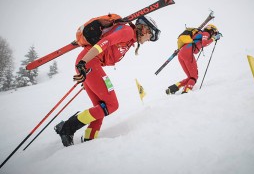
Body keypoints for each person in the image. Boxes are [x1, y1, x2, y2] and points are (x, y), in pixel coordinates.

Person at [54, 15, 160, 147]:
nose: (149, 39)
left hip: (89, 65)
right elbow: (106, 42)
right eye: (151, 35)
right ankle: (67, 128)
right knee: (112, 105)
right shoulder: (127, 32)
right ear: (144, 29)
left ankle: (89, 142)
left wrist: (87, 71)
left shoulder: (130, 40)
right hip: (89, 63)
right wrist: (83, 63)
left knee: (100, 108)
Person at [165, 24, 221, 94]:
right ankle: (186, 92)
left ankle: (172, 88)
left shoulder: (198, 34)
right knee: (194, 77)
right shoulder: (205, 33)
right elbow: (204, 43)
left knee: (190, 77)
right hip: (187, 53)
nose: (213, 35)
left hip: (181, 54)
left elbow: (196, 49)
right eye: (214, 33)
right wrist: (214, 38)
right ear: (211, 30)